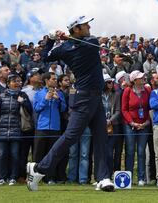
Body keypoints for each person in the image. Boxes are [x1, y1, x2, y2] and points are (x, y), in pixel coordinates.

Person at [26, 16, 115, 192]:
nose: (89, 26)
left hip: (96, 97)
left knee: (101, 138)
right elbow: (45, 57)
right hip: (83, 97)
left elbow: (87, 42)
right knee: (71, 136)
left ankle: (103, 178)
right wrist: (50, 40)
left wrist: (61, 40)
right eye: (85, 25)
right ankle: (38, 169)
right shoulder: (68, 47)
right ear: (76, 29)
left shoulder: (88, 41)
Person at [0, 74, 32, 185]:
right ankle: (2, 177)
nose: (17, 83)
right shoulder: (2, 95)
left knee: (15, 155)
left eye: (19, 81)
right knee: (2, 155)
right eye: (15, 81)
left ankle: (13, 177)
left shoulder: (23, 95)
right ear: (9, 83)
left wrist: (23, 102)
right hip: (2, 129)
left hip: (17, 129)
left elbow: (30, 110)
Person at [33, 72, 67, 184]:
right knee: (39, 153)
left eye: (56, 79)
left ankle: (50, 178)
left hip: (55, 127)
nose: (55, 81)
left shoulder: (59, 93)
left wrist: (58, 100)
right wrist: (45, 99)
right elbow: (36, 108)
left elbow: (63, 109)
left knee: (53, 154)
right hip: (42, 127)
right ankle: (35, 177)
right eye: (53, 79)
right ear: (47, 80)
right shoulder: (38, 93)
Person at [121, 70, 151, 186]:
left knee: (141, 151)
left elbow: (149, 107)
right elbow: (124, 109)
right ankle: (128, 177)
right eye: (140, 77)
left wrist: (147, 121)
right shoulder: (127, 91)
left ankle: (141, 178)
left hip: (144, 125)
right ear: (134, 80)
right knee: (129, 151)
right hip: (130, 125)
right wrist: (132, 123)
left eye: (143, 77)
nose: (143, 79)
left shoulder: (147, 90)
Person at [101, 74, 121, 179]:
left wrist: (110, 120)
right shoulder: (99, 95)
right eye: (108, 82)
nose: (111, 84)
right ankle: (101, 175)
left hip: (113, 125)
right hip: (100, 125)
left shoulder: (116, 94)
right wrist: (102, 121)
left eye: (112, 82)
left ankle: (108, 175)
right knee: (101, 151)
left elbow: (118, 110)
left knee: (109, 150)